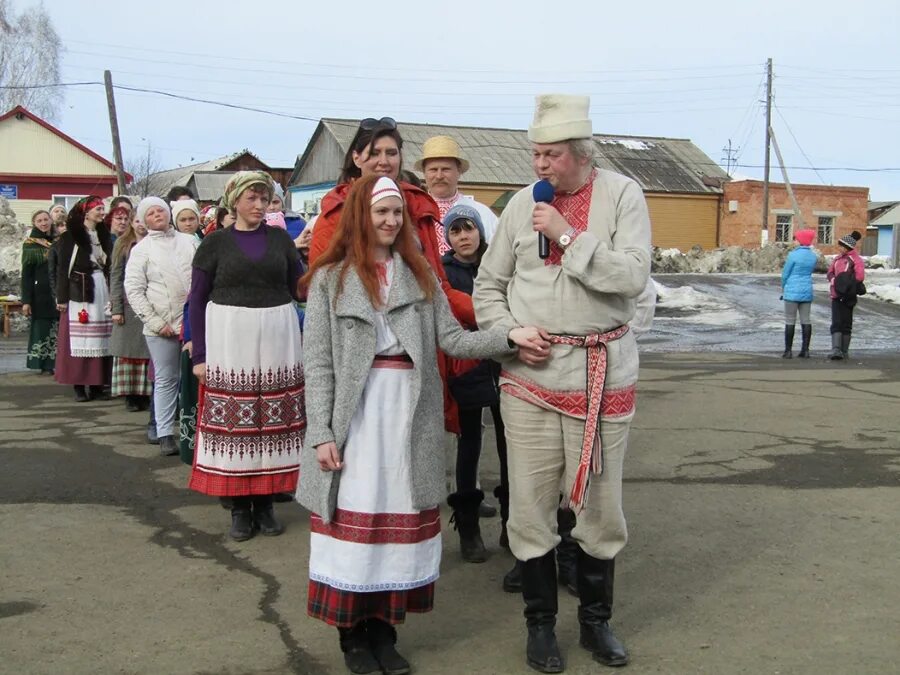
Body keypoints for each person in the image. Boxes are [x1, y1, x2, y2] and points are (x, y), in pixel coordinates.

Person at [297, 175, 543, 675]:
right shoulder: (331, 278)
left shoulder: (421, 274)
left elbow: (453, 340)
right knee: (355, 519)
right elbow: (318, 363)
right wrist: (321, 432)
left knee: (399, 522)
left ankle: (385, 635)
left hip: (409, 416)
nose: (389, 221)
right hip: (356, 419)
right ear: (361, 217)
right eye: (380, 213)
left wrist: (508, 337)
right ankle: (353, 639)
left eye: (395, 213)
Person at [474, 94, 651, 671]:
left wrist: (570, 238)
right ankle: (540, 628)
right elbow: (487, 287)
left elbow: (631, 277)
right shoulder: (522, 204)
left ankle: (596, 625)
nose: (540, 166)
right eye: (536, 154)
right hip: (529, 379)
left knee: (599, 510)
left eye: (550, 155)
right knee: (528, 508)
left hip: (601, 376)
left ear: (579, 153)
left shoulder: (622, 194)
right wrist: (509, 333)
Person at [309, 117, 476, 444]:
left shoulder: (416, 207)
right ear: (356, 158)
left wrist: (492, 316)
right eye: (374, 152)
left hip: (417, 359)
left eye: (392, 152)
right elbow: (324, 296)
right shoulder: (335, 214)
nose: (384, 160)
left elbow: (438, 288)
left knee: (419, 464)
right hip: (360, 363)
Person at [188, 171, 305, 541]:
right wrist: (199, 355)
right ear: (234, 201)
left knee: (272, 421)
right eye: (251, 198)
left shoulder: (281, 240)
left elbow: (299, 288)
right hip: (229, 339)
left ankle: (266, 504)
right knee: (238, 421)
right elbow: (196, 300)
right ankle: (239, 507)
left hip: (277, 336)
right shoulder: (214, 244)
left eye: (265, 198)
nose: (259, 205)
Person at [440, 203, 509, 563]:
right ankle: (468, 528)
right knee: (469, 445)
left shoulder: (496, 267)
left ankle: (511, 524)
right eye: (455, 230)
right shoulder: (445, 273)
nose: (463, 236)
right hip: (465, 365)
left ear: (480, 231)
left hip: (503, 365)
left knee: (508, 444)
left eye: (468, 229)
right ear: (448, 237)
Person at [125, 197, 199, 456]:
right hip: (162, 328)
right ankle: (165, 432)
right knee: (167, 379)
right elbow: (133, 290)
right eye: (151, 213)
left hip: (193, 324)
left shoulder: (189, 242)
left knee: (196, 379)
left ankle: (198, 431)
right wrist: (156, 323)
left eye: (161, 210)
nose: (157, 215)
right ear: (144, 220)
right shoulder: (142, 249)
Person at [54, 196, 114, 402]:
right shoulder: (71, 237)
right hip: (80, 291)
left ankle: (97, 385)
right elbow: (63, 269)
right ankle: (79, 385)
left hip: (100, 288)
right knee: (81, 338)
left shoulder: (103, 234)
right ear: (86, 212)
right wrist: (62, 297)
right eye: (98, 209)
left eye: (102, 209)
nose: (102, 212)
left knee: (101, 338)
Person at [416, 135, 499, 253]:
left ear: (459, 171)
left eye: (446, 169)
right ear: (424, 173)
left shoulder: (482, 213)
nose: (439, 176)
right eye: (433, 170)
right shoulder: (413, 212)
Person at [109, 213, 152, 412]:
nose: (140, 225)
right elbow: (116, 275)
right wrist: (116, 308)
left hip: (151, 303)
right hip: (128, 303)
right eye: (137, 221)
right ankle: (130, 395)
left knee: (147, 350)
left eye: (144, 221)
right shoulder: (123, 243)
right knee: (128, 350)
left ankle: (145, 393)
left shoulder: (155, 242)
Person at [21, 210, 58, 374]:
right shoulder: (30, 244)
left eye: (46, 219)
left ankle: (57, 362)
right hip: (40, 293)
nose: (43, 223)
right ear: (34, 223)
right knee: (42, 328)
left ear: (51, 220)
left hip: (57, 291)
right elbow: (26, 275)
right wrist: (26, 300)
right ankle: (43, 363)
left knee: (58, 327)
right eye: (39, 221)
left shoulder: (59, 240)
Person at [826, 230, 865, 361]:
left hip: (849, 295)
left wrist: (845, 282)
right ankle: (836, 350)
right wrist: (834, 281)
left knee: (846, 323)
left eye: (842, 246)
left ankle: (844, 350)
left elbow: (859, 276)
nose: (840, 248)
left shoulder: (855, 259)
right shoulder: (837, 259)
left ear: (848, 247)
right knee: (836, 322)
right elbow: (830, 272)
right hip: (836, 295)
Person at [780, 229, 818, 359]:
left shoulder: (793, 255)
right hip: (807, 290)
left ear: (800, 241)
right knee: (806, 319)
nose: (794, 241)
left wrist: (783, 286)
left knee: (790, 320)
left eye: (795, 239)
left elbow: (785, 274)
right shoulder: (813, 256)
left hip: (792, 290)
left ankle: (788, 351)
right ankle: (805, 350)